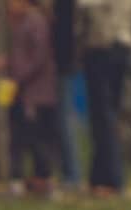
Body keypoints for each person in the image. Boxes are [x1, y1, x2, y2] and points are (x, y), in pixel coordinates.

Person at [80, 0, 131, 198]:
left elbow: (85, 12)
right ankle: (99, 179)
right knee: (110, 113)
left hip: (102, 47)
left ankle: (114, 180)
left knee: (103, 117)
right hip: (123, 44)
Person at [2, 0, 58, 198]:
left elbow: (38, 58)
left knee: (36, 139)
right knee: (17, 138)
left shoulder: (36, 22)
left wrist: (17, 75)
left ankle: (45, 179)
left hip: (36, 93)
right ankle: (18, 180)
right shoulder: (16, 23)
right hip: (20, 92)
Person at [53, 0, 85, 193]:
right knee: (62, 121)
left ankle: (72, 175)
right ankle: (69, 173)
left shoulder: (66, 7)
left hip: (62, 65)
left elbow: (64, 36)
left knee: (63, 120)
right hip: (65, 64)